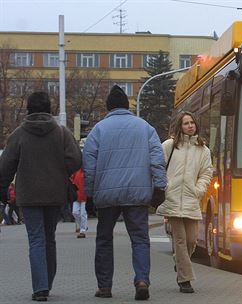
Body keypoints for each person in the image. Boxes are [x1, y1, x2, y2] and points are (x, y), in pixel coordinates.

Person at [83, 85, 167, 301]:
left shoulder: (98, 130)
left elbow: (89, 167)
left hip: (106, 196)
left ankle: (104, 287)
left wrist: (90, 195)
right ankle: (141, 280)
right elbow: (157, 160)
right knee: (139, 239)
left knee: (103, 240)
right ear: (127, 106)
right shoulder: (145, 127)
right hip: (137, 194)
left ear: (108, 107)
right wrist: (159, 188)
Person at [0, 91, 82, 302]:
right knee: (49, 239)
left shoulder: (19, 134)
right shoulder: (61, 133)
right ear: (49, 109)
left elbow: (6, 166)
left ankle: (40, 288)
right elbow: (75, 160)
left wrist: (3, 189)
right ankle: (47, 282)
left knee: (36, 239)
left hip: (28, 195)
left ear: (29, 109)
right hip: (55, 193)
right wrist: (59, 170)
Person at [156, 111, 213, 294]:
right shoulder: (169, 145)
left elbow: (206, 173)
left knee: (192, 240)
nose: (190, 126)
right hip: (172, 199)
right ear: (180, 126)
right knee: (179, 240)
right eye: (186, 123)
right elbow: (158, 166)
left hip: (191, 199)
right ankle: (185, 280)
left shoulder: (203, 150)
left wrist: (199, 190)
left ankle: (180, 264)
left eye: (192, 123)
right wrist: (166, 186)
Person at [71, 168, 88, 238]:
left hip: (84, 196)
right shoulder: (76, 171)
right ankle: (83, 226)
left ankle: (82, 231)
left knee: (82, 214)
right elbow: (71, 179)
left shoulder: (86, 172)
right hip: (76, 195)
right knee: (74, 212)